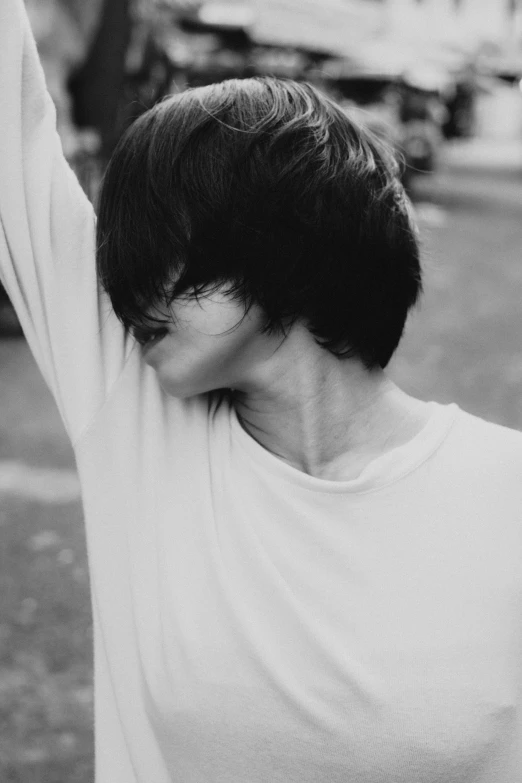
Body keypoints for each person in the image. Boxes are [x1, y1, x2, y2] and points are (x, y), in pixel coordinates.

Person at [1, 2, 522, 781]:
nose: (124, 281)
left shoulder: (504, 496)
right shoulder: (138, 418)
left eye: (159, 241)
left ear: (277, 237)